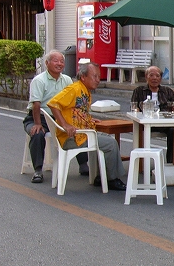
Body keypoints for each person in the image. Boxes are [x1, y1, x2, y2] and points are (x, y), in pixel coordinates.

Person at [48, 62, 127, 191]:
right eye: (94, 76)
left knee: (105, 138)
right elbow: (53, 103)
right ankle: (112, 179)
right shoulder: (74, 89)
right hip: (72, 137)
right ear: (83, 77)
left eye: (99, 77)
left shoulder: (85, 90)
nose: (97, 80)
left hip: (82, 134)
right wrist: (65, 125)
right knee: (111, 143)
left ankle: (101, 176)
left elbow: (77, 111)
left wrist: (88, 119)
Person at [23, 50, 88, 184]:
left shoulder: (67, 80)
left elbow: (74, 102)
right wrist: (37, 123)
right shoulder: (39, 80)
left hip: (60, 118)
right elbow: (36, 105)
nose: (59, 64)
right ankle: (38, 170)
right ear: (47, 63)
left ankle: (83, 165)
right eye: (56, 61)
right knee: (37, 134)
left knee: (78, 129)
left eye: (62, 61)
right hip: (38, 117)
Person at [130, 66, 174, 164]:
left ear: (161, 78)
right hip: (147, 123)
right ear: (146, 77)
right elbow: (134, 106)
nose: (154, 78)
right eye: (151, 75)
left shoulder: (167, 91)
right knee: (173, 127)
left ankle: (171, 162)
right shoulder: (139, 91)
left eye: (157, 76)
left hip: (164, 123)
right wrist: (137, 110)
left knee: (172, 131)